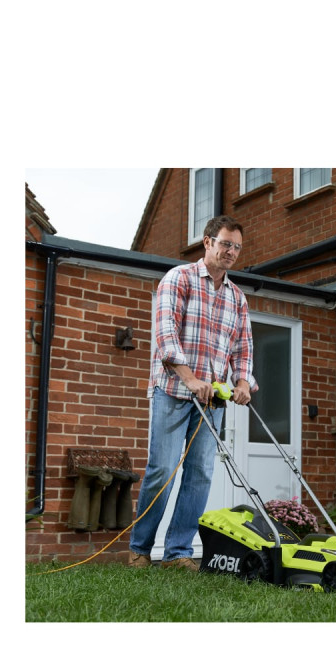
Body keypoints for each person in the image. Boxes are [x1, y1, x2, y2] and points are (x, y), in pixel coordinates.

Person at [128, 215, 257, 570]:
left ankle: (178, 552)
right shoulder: (179, 279)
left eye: (237, 247)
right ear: (208, 242)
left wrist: (242, 383)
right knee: (162, 470)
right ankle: (140, 549)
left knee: (200, 474)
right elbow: (166, 334)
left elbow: (242, 348)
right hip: (173, 391)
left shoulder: (237, 297)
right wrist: (189, 378)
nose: (231, 252)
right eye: (226, 244)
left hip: (211, 401)